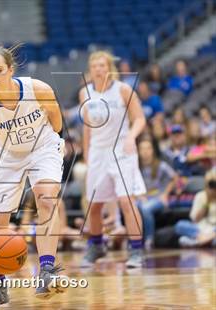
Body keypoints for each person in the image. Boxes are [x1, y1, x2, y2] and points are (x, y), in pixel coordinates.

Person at [0, 44, 68, 308]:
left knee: (46, 199)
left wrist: (49, 146)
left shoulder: (39, 90)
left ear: (11, 70)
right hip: (6, 156)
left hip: (42, 146)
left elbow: (56, 124)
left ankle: (47, 269)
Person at [80, 50, 146, 268]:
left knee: (127, 200)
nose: (98, 69)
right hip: (98, 151)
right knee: (95, 205)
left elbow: (139, 119)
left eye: (102, 65)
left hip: (122, 150)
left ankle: (137, 249)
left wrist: (132, 137)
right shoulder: (85, 93)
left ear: (110, 68)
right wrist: (87, 154)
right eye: (94, 66)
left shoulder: (123, 90)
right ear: (90, 70)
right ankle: (97, 245)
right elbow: (87, 128)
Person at [137, 136, 177, 249]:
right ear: (138, 151)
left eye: (148, 148)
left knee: (145, 208)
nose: (145, 151)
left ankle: (149, 239)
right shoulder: (135, 167)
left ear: (152, 150)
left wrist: (165, 194)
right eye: (142, 149)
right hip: (142, 198)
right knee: (132, 208)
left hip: (157, 198)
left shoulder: (161, 165)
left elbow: (175, 177)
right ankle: (135, 239)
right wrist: (138, 196)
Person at [175, 169, 216, 247]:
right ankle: (204, 239)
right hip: (200, 229)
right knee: (180, 225)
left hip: (214, 229)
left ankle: (197, 241)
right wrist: (208, 202)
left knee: (182, 239)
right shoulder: (200, 195)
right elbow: (195, 219)